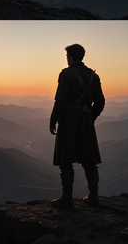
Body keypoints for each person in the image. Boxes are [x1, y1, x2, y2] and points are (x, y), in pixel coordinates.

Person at [49, 43, 105, 209]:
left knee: (65, 158)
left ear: (71, 57)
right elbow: (100, 102)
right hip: (86, 119)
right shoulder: (93, 76)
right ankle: (93, 197)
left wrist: (53, 118)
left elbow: (60, 100)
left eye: (67, 56)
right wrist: (91, 116)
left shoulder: (66, 75)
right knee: (89, 159)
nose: (67, 59)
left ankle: (67, 198)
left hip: (69, 119)